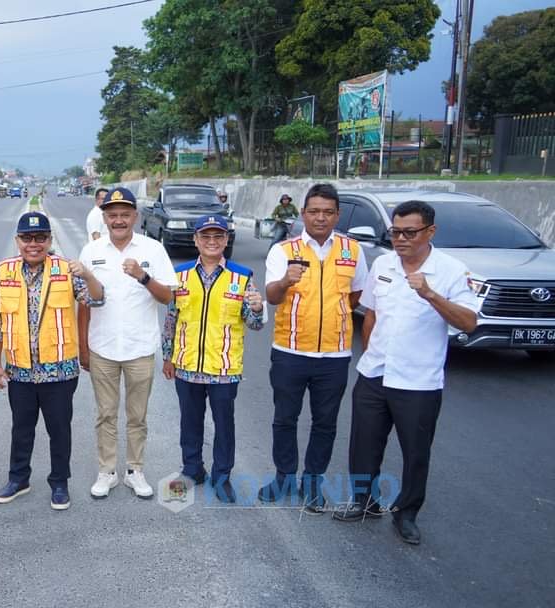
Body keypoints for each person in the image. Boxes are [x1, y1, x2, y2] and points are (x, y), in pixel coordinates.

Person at [334, 201, 477, 545]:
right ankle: (364, 501)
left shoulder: (452, 271)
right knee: (363, 445)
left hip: (418, 380)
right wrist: (369, 354)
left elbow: (468, 322)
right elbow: (369, 314)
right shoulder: (383, 263)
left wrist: (429, 294)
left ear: (430, 232)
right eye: (395, 232)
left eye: (409, 232)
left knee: (416, 452)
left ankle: (407, 513)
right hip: (374, 373)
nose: (400, 239)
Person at [260, 183, 367, 513]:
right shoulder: (284, 250)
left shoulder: (352, 250)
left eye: (328, 212)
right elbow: (272, 296)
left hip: (334, 356)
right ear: (303, 214)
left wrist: (334, 318)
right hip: (291, 351)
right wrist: (285, 281)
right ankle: (284, 477)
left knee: (325, 423)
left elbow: (356, 295)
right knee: (285, 419)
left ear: (337, 215)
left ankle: (313, 482)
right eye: (314, 211)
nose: (320, 218)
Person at [0, 211, 104, 510]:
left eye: (40, 238)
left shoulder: (67, 270)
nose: (34, 244)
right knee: (21, 428)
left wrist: (89, 274)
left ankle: (60, 483)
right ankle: (18, 479)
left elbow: (97, 298)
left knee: (59, 430)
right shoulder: (4, 272)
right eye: (27, 238)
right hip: (21, 371)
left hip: (60, 371)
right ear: (18, 240)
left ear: (50, 240)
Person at [79, 187, 177, 500]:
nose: (118, 220)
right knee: (105, 414)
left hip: (139, 348)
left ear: (135, 216)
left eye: (124, 214)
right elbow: (83, 303)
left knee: (137, 416)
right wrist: (83, 347)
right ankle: (106, 471)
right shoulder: (90, 252)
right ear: (104, 218)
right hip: (103, 347)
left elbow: (168, 296)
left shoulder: (153, 250)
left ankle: (135, 470)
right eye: (113, 215)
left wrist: (143, 277)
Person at [162, 215, 266, 503]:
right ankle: (192, 469)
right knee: (190, 421)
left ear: (226, 240)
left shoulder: (242, 276)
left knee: (224, 424)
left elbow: (255, 324)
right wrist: (167, 357)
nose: (211, 242)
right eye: (205, 236)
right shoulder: (180, 275)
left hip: (224, 368)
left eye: (217, 236)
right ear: (195, 240)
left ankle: (222, 477)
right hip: (187, 365)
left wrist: (256, 308)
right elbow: (171, 319)